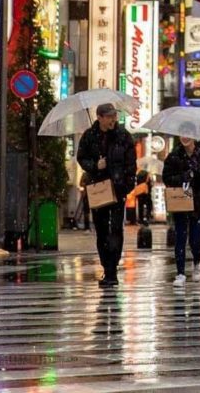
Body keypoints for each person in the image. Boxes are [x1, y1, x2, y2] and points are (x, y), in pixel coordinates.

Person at [76, 103, 136, 288]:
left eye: (114, 116)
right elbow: (81, 158)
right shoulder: (89, 136)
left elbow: (131, 164)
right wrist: (95, 166)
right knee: (102, 231)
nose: (113, 120)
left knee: (116, 230)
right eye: (109, 117)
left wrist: (125, 185)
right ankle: (106, 266)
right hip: (98, 189)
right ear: (100, 117)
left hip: (117, 190)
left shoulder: (123, 136)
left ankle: (112, 270)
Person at [162, 129, 200, 286]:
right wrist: (183, 177)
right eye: (182, 134)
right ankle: (180, 273)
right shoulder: (174, 156)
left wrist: (198, 170)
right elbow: (167, 177)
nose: (185, 137)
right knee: (180, 237)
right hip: (181, 201)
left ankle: (196, 264)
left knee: (195, 239)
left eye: (188, 134)